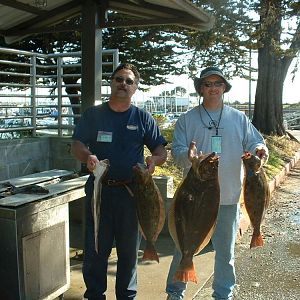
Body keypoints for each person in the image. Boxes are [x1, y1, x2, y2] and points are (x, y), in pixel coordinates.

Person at [165, 66, 268, 300]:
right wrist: (188, 157)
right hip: (194, 199)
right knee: (183, 248)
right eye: (208, 84)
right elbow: (178, 151)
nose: (213, 88)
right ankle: (175, 293)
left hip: (229, 198)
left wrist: (260, 151)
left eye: (218, 84)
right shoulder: (187, 119)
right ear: (201, 89)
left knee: (225, 253)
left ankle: (223, 295)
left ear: (224, 88)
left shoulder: (238, 117)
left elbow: (256, 143)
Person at [71, 63, 167, 300]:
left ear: (135, 88)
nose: (123, 84)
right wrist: (88, 156)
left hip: (131, 195)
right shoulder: (93, 115)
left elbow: (160, 149)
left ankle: (127, 296)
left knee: (128, 252)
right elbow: (77, 145)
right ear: (111, 82)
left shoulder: (143, 118)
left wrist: (154, 160)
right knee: (95, 251)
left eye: (129, 81)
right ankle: (94, 295)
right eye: (119, 79)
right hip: (99, 193)